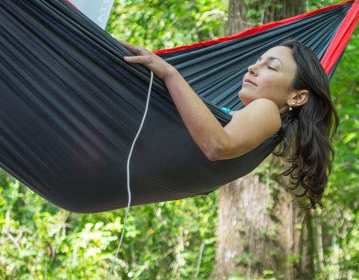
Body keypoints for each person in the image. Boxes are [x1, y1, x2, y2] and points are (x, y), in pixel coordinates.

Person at [122, 39, 337, 207]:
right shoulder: (248, 122)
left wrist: (169, 72)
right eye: (258, 61)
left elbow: (217, 145)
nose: (252, 68)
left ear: (297, 97)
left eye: (271, 67)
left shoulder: (268, 109)